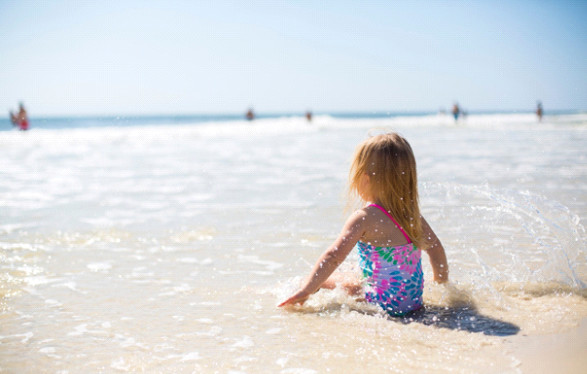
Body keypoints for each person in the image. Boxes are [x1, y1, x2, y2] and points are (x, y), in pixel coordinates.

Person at [279, 133, 449, 316]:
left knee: (320, 281)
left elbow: (333, 256)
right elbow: (436, 249)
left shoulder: (364, 218)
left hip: (381, 306)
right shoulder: (412, 217)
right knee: (353, 272)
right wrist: (441, 284)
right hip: (413, 305)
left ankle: (282, 292)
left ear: (365, 179)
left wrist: (307, 290)